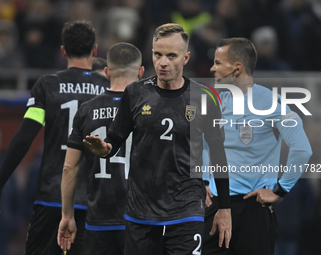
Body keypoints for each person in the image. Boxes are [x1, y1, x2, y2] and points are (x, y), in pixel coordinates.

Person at [83, 23, 231, 255]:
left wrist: (225, 208)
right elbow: (114, 141)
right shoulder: (135, 93)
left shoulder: (205, 98)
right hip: (141, 213)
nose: (163, 62)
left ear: (186, 58)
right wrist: (104, 149)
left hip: (186, 210)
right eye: (157, 54)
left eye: (171, 56)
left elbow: (219, 154)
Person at [0, 20, 110, 255]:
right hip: (96, 200)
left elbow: (23, 138)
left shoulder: (47, 86)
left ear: (63, 51)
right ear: (94, 50)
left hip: (52, 197)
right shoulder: (109, 90)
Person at [202, 38, 312, 255]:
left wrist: (280, 190)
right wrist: (205, 179)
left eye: (218, 62)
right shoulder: (217, 103)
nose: (212, 68)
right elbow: (204, 147)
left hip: (252, 210)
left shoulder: (271, 102)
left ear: (237, 68)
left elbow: (302, 149)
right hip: (215, 206)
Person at [57, 42, 144, 255]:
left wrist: (67, 216)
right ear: (141, 72)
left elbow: (69, 167)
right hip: (141, 218)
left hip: (99, 218)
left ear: (106, 72)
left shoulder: (86, 110)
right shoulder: (149, 108)